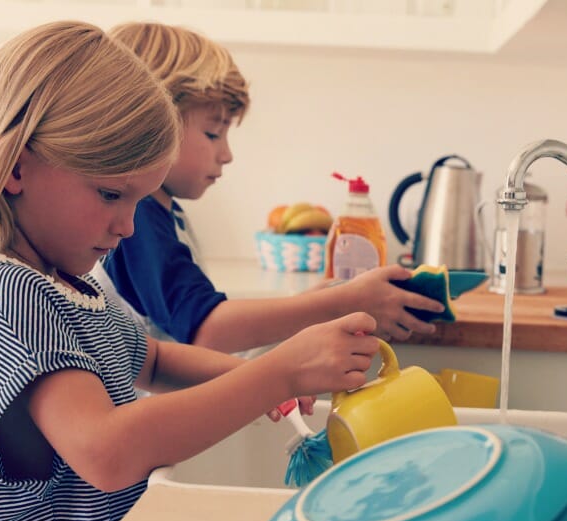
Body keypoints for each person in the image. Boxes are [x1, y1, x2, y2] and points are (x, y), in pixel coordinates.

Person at [0, 21, 378, 521]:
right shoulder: (5, 292)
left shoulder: (71, 285)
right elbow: (105, 450)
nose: (128, 226)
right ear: (17, 170)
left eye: (138, 200)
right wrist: (275, 373)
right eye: (111, 195)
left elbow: (153, 360)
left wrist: (260, 373)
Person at [96, 21, 444, 354]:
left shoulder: (163, 214)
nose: (227, 154)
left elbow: (199, 327)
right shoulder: (138, 219)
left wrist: (314, 305)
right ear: (151, 126)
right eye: (213, 133)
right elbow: (206, 329)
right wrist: (338, 303)